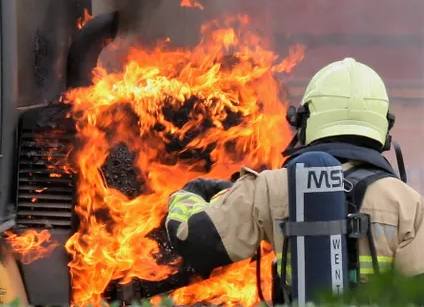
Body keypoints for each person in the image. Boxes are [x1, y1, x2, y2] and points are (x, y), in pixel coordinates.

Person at [164, 57, 424, 298]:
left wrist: (190, 195)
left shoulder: (269, 188)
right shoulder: (409, 205)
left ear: (306, 121)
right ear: (384, 126)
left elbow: (192, 240)